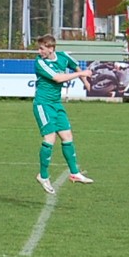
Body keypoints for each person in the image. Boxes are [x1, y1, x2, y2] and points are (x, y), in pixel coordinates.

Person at [32, 34, 93, 194]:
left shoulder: (63, 56)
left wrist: (85, 81)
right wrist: (81, 74)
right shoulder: (40, 62)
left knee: (67, 136)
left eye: (42, 49)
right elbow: (58, 78)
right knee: (50, 138)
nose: (39, 52)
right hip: (43, 104)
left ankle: (75, 173)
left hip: (56, 104)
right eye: (39, 49)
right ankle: (43, 176)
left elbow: (75, 66)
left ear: (51, 48)